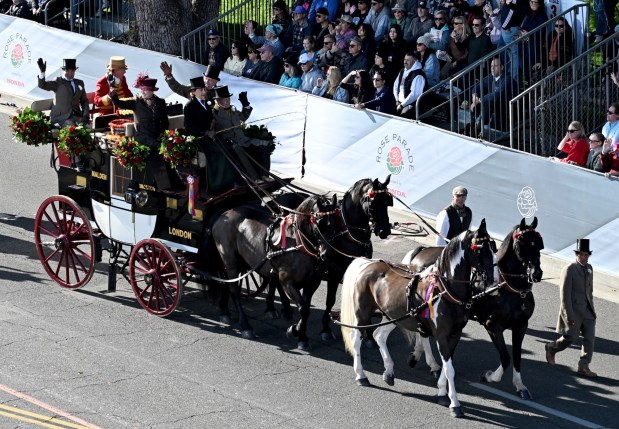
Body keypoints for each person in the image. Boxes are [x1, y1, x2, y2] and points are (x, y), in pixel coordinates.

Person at [545, 239, 598, 378]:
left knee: (589, 339)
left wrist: (592, 309)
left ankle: (584, 366)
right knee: (570, 338)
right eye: (582, 254)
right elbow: (564, 295)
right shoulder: (569, 269)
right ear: (577, 254)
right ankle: (551, 348)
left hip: (588, 311)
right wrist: (568, 314)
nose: (584, 257)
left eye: (587, 255)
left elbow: (589, 291)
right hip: (574, 311)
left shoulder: (590, 268)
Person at [110, 74, 172, 191]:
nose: (143, 91)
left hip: (156, 136)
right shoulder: (136, 103)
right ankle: (164, 187)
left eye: (146, 89)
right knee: (158, 149)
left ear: (152, 91)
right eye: (142, 89)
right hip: (142, 138)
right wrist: (113, 94)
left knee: (164, 148)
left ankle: (168, 183)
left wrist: (162, 134)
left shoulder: (160, 102)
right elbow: (119, 104)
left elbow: (164, 121)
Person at [210, 85, 271, 181]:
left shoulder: (232, 110)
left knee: (265, 144)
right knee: (238, 149)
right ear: (218, 101)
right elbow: (211, 130)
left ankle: (264, 175)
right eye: (224, 100)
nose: (227, 101)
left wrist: (245, 104)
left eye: (228, 99)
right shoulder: (213, 113)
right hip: (229, 143)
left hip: (243, 139)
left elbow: (243, 117)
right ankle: (254, 178)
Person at [37, 58, 89, 127]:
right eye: (68, 71)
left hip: (75, 116)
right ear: (64, 70)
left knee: (88, 127)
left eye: (72, 71)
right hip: (60, 118)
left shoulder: (79, 83)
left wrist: (85, 115)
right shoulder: (58, 81)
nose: (70, 73)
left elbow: (84, 101)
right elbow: (42, 85)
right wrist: (42, 72)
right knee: (72, 128)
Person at [469, 56, 515, 130]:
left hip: (506, 109)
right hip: (494, 107)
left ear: (502, 67)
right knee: (477, 104)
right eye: (491, 66)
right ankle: (472, 126)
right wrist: (474, 96)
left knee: (489, 101)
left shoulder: (507, 80)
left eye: (495, 66)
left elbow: (496, 95)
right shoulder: (491, 78)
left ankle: (478, 128)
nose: (492, 68)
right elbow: (477, 87)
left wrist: (480, 100)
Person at [393, 51, 427, 118]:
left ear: (414, 61)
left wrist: (402, 105)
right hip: (399, 103)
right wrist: (397, 100)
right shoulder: (402, 71)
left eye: (408, 60)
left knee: (403, 117)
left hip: (412, 105)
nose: (405, 62)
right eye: (404, 59)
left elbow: (415, 94)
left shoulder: (418, 75)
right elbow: (395, 86)